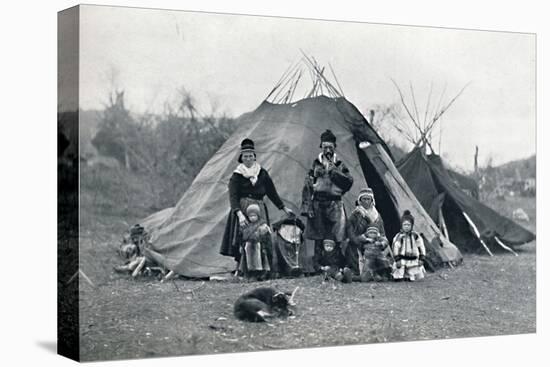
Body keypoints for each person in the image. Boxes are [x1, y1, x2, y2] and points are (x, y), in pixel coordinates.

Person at [220, 138, 294, 276]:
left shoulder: (262, 173)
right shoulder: (237, 175)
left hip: (259, 208)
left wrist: (283, 208)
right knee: (246, 238)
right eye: (245, 156)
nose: (248, 159)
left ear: (255, 156)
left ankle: (263, 269)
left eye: (251, 156)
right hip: (243, 208)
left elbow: (272, 193)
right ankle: (244, 270)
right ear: (241, 158)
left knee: (262, 236)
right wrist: (239, 214)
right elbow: (233, 196)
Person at [301, 129, 353, 273]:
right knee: (318, 234)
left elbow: (349, 182)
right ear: (321, 147)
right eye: (325, 147)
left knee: (337, 234)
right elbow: (307, 185)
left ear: (334, 147)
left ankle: (335, 264)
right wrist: (308, 206)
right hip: (318, 202)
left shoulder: (340, 164)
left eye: (330, 147)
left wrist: (334, 172)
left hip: (335, 203)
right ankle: (318, 265)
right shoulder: (316, 163)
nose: (328, 150)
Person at [346, 188, 393, 281]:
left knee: (381, 256)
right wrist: (359, 240)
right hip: (359, 243)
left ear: (372, 200)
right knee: (353, 250)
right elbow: (349, 230)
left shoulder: (377, 216)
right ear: (360, 200)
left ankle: (377, 274)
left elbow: (382, 233)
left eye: (368, 199)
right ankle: (358, 274)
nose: (366, 201)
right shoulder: (355, 214)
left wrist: (382, 242)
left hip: (374, 244)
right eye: (364, 199)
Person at [240, 204, 273, 280]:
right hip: (248, 246)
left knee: (260, 259)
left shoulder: (262, 225)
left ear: (258, 215)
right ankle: (250, 273)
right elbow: (243, 236)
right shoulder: (246, 226)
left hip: (259, 245)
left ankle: (261, 273)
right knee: (248, 260)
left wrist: (260, 235)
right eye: (250, 216)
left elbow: (265, 235)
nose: (252, 218)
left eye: (254, 216)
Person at [392, 210, 427, 281]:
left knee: (416, 276)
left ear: (412, 226)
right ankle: (401, 276)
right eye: (405, 225)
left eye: (409, 225)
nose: (406, 227)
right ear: (401, 225)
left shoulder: (415, 236)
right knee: (399, 275)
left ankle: (409, 276)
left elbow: (421, 246)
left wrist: (421, 258)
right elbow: (396, 248)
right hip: (402, 259)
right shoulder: (399, 236)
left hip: (413, 259)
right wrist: (397, 259)